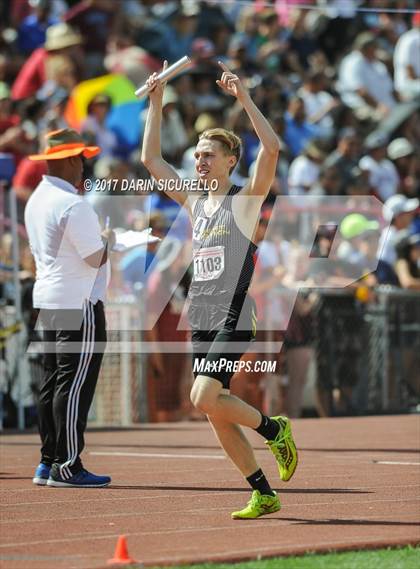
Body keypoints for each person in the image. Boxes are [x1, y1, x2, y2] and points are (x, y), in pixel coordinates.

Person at [141, 61, 297, 519]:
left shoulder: (245, 202)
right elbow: (152, 160)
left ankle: (274, 430)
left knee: (203, 397)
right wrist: (156, 98)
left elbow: (271, 147)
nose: (200, 161)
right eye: (196, 155)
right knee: (214, 407)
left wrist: (244, 99)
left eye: (209, 154)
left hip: (234, 313)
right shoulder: (194, 203)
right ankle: (262, 491)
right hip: (201, 315)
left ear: (231, 161)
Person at [24, 128, 114, 488]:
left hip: (50, 298)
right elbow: (94, 257)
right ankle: (67, 464)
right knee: (74, 384)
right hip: (80, 300)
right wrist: (111, 240)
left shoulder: (37, 199)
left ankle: (49, 461)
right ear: (70, 159)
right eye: (81, 158)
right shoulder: (73, 205)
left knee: (52, 381)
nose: (84, 166)